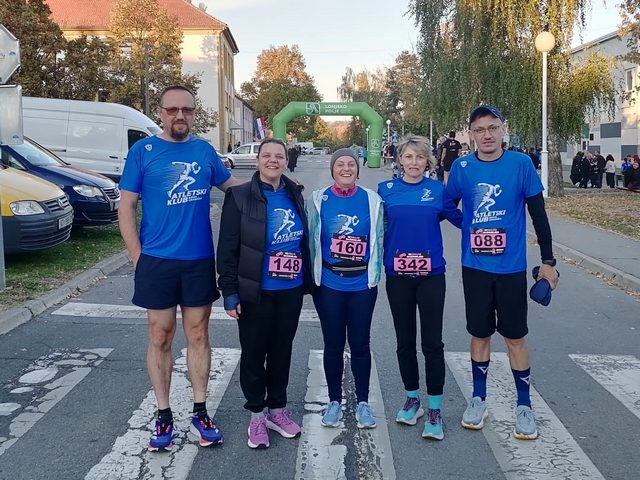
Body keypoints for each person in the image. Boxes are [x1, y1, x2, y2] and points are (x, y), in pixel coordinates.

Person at [118, 85, 242, 452]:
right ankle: (163, 413)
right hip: (156, 260)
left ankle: (200, 412)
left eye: (186, 110)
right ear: (160, 112)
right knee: (160, 336)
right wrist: (137, 256)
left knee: (198, 334)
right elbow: (126, 207)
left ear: (194, 113)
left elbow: (233, 187)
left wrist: (274, 184)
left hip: (198, 259)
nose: (179, 116)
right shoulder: (143, 151)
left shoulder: (203, 151)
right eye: (172, 110)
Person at [446, 105, 559, 440]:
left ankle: (523, 405)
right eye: (480, 130)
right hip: (475, 267)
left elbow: (539, 215)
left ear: (502, 130)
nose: (487, 135)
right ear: (471, 135)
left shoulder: (521, 164)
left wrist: (549, 261)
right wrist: (466, 225)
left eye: (492, 128)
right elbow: (446, 205)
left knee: (515, 337)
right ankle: (478, 399)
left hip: (511, 268)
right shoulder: (462, 168)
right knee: (480, 334)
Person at [217, 138, 312, 449]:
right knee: (255, 353)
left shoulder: (294, 192)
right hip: (255, 291)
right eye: (267, 155)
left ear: (286, 160)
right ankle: (257, 414)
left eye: (279, 156)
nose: (273, 161)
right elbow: (227, 248)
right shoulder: (239, 196)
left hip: (290, 290)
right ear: (257, 160)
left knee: (282, 351)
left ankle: (277, 410)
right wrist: (229, 291)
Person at [377, 135, 462, 440]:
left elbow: (463, 221)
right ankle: (412, 399)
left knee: (432, 343)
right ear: (399, 160)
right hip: (398, 276)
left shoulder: (437, 191)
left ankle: (435, 409)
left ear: (429, 161)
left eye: (420, 157)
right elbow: (371, 226)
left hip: (431, 276)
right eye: (409, 157)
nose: (414, 162)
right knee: (404, 341)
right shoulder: (385, 190)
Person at [307, 148, 384, 430]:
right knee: (334, 344)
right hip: (330, 283)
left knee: (361, 344)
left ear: (358, 169)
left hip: (362, 283)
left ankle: (363, 402)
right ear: (332, 170)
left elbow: (384, 234)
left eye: (351, 164)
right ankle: (334, 401)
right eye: (340, 164)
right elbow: (307, 237)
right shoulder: (318, 199)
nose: (346, 169)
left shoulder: (372, 200)